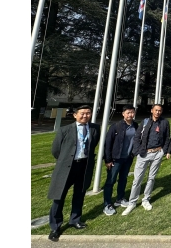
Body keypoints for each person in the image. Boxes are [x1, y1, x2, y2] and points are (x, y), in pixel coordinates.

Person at [47, 105, 100, 242]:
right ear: (75, 115)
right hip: (67, 167)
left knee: (79, 194)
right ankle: (55, 227)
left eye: (88, 113)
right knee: (59, 197)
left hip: (84, 166)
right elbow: (56, 150)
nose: (85, 116)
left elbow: (93, 144)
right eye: (82, 113)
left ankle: (75, 220)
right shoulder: (65, 130)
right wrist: (66, 160)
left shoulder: (95, 128)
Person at [122, 104, 169, 215]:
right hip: (144, 153)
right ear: (152, 110)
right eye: (156, 110)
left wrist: (163, 151)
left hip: (157, 153)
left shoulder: (164, 122)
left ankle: (146, 199)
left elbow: (167, 137)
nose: (158, 112)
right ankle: (132, 202)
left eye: (160, 110)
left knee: (151, 178)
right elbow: (137, 137)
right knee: (137, 179)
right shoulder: (145, 122)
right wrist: (137, 151)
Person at [102, 104, 138, 216]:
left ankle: (120, 198)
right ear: (123, 114)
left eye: (132, 112)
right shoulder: (116, 126)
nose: (130, 115)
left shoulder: (135, 126)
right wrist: (108, 160)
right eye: (128, 112)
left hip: (127, 158)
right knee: (111, 181)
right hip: (115, 159)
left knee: (123, 179)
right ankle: (107, 204)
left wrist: (132, 154)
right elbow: (108, 143)